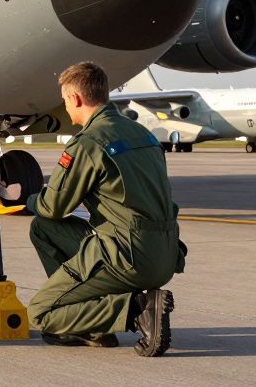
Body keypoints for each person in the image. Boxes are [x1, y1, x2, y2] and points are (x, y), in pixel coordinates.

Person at [25, 62, 186, 356]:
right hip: (164, 254)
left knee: (40, 314)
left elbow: (53, 207)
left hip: (126, 256)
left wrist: (26, 198)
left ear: (75, 99)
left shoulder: (89, 142)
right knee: (43, 230)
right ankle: (94, 328)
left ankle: (137, 309)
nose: (66, 108)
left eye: (65, 101)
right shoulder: (144, 135)